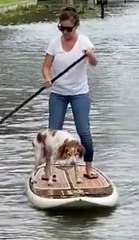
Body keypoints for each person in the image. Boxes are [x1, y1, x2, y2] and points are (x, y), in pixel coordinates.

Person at [41, 6, 98, 179]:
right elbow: (46, 67)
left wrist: (90, 55)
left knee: (84, 132)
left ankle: (88, 168)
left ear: (76, 27)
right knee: (52, 134)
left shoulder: (84, 42)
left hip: (79, 93)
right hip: (58, 93)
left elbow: (94, 63)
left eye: (68, 29)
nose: (65, 32)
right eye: (61, 28)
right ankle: (48, 170)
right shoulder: (54, 43)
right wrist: (47, 77)